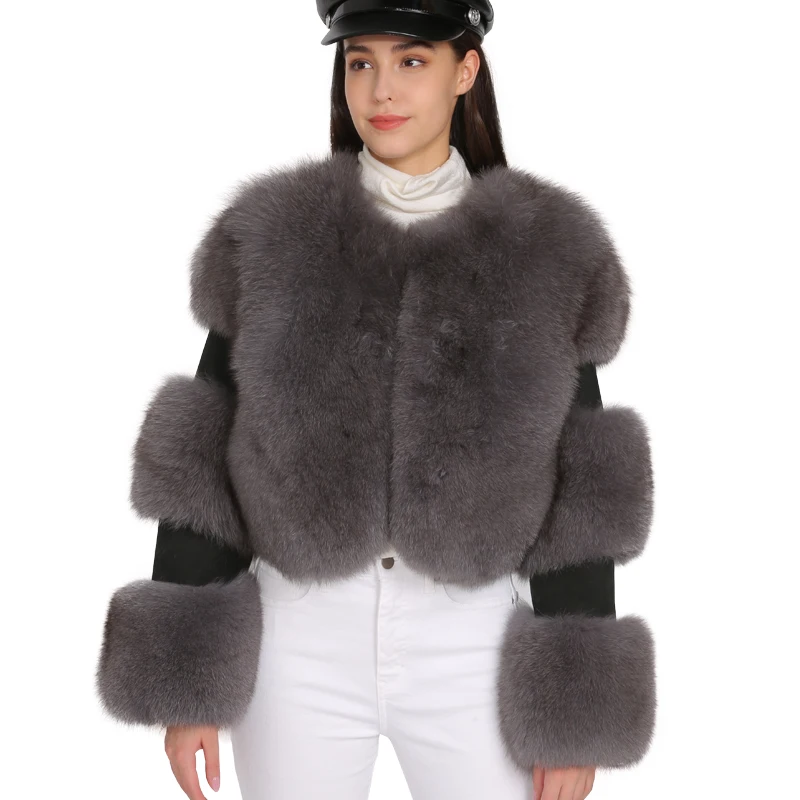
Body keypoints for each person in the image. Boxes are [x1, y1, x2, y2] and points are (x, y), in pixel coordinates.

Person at [95, 2, 657, 799]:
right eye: (361, 61)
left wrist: (572, 713)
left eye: (411, 60)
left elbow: (588, 484)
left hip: (473, 638)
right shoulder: (271, 239)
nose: (381, 89)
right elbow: (201, 456)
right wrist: (189, 688)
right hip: (297, 637)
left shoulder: (547, 252)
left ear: (465, 71)